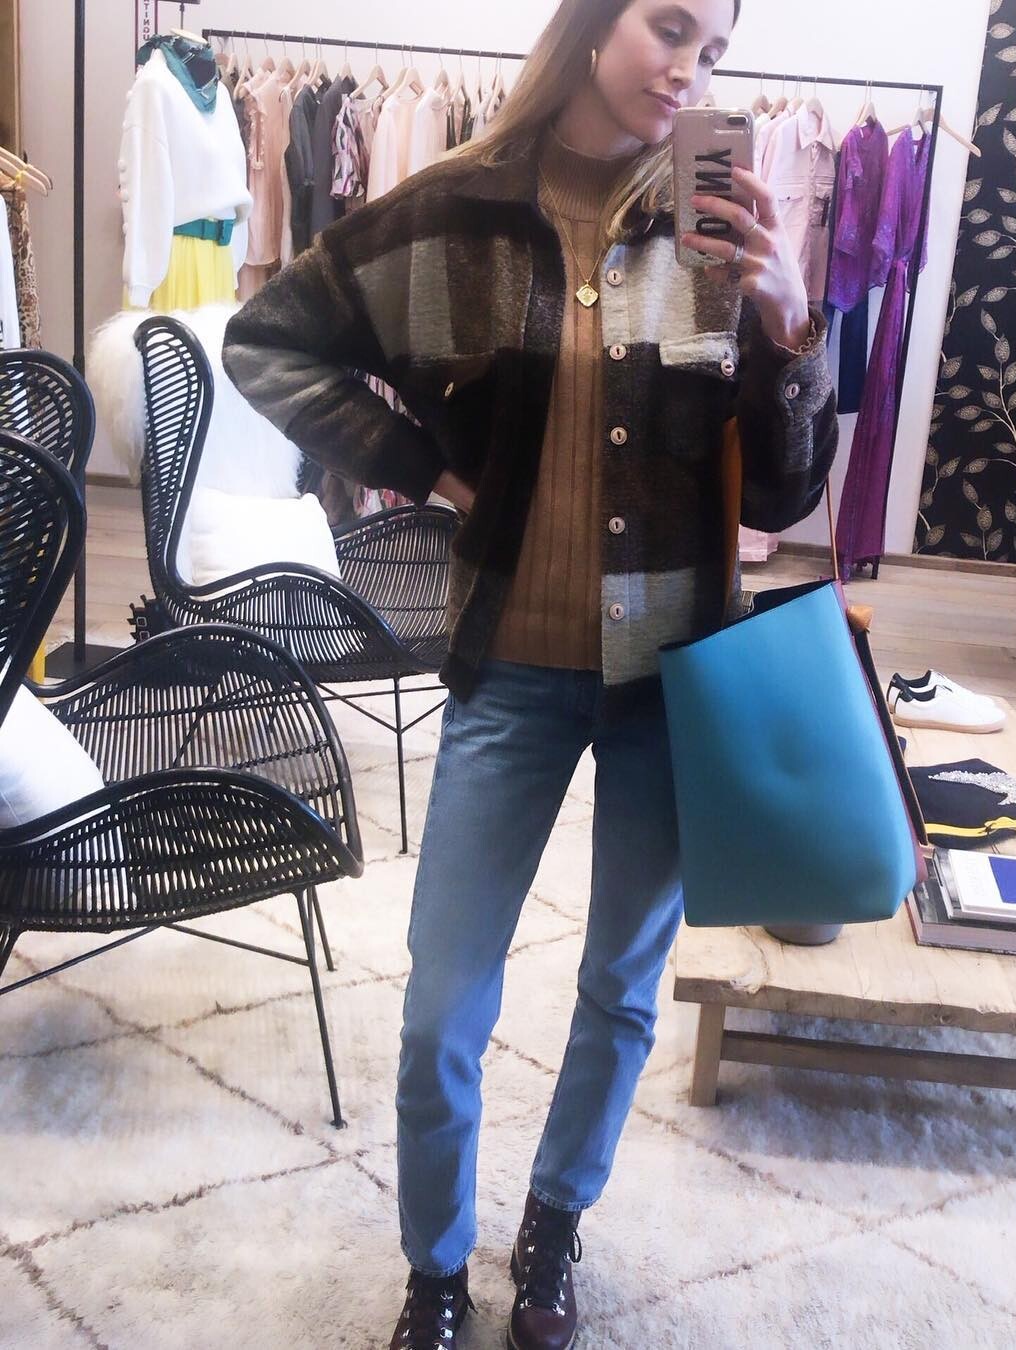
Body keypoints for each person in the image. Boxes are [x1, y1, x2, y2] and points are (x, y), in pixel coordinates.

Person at [222, 1, 838, 1344]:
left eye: (715, 49)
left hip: (670, 679)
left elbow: (786, 494)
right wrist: (428, 470)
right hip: (508, 663)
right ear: (595, 20)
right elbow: (268, 338)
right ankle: (435, 1269)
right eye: (670, 25)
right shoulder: (458, 210)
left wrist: (791, 327)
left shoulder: (713, 226)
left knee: (620, 983)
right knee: (443, 1001)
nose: (690, 66)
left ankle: (555, 1224)